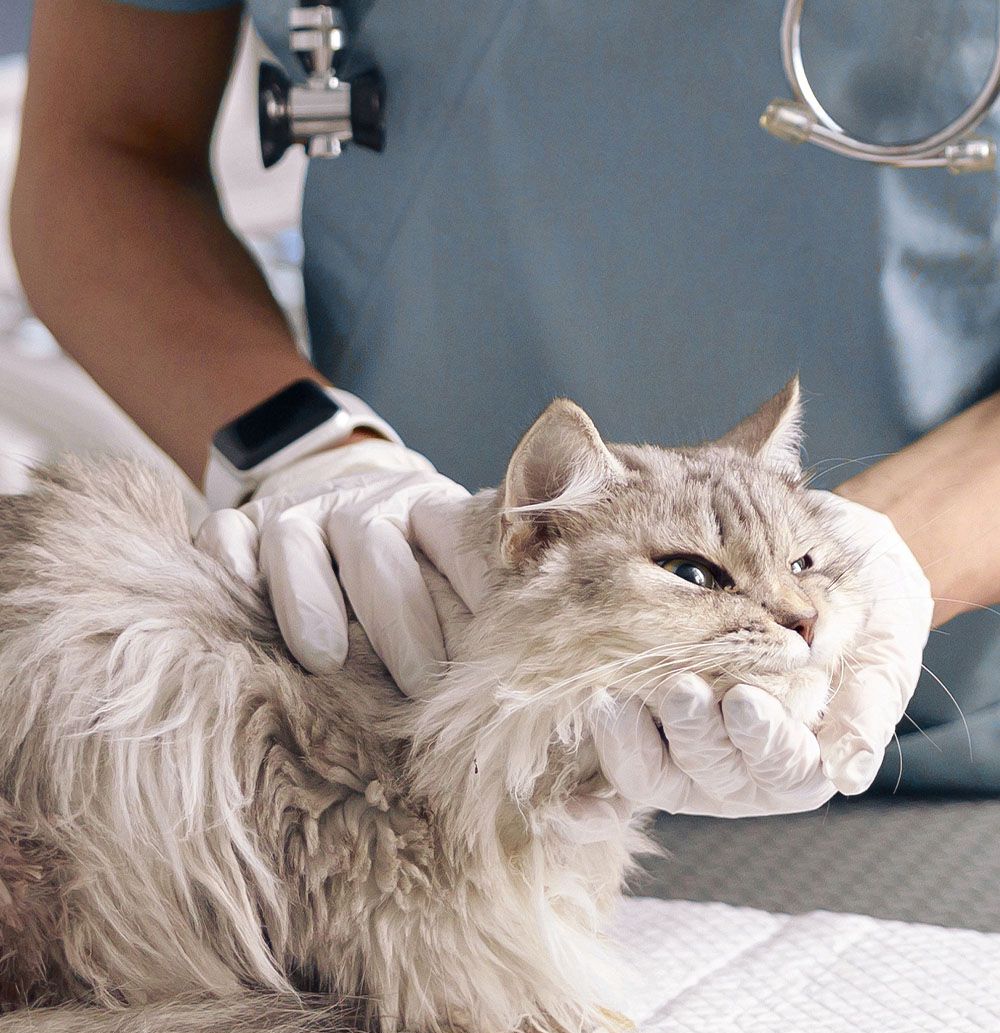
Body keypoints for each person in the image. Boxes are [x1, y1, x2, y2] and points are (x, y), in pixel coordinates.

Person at [9, 2, 1000, 823]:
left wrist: (879, 563)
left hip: (941, 754)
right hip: (415, 718)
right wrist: (305, 450)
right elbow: (106, 145)